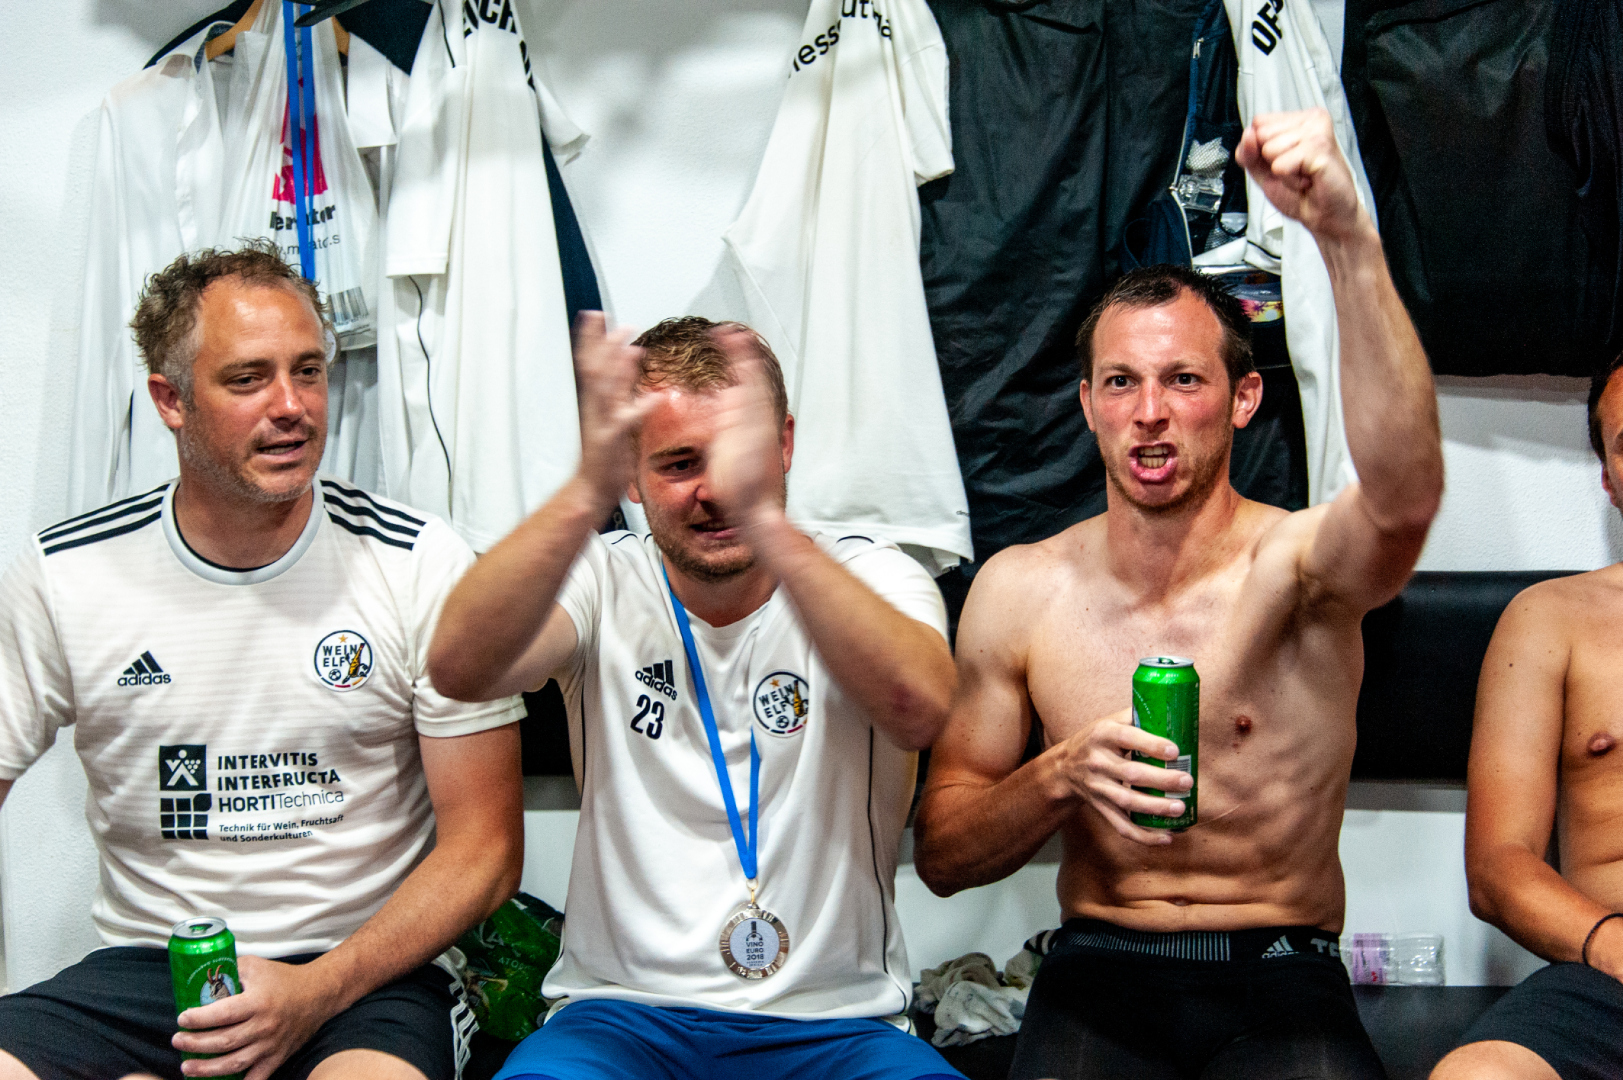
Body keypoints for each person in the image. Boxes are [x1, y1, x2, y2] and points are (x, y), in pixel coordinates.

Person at [911, 107, 1444, 1080]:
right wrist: (1060, 774)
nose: (1148, 412)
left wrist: (1344, 235)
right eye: (1119, 382)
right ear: (1087, 406)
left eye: (1183, 380)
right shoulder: (1020, 589)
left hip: (1279, 966)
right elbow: (944, 855)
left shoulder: (1298, 568)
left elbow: (1404, 499)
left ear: (1243, 399)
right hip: (1098, 962)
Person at [0, 242, 525, 1080]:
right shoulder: (67, 573)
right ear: (171, 400)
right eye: (248, 379)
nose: (292, 406)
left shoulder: (416, 560)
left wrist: (317, 990)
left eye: (308, 372)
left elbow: (486, 849)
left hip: (364, 972)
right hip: (149, 972)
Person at [428, 315, 966, 1080]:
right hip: (619, 1019)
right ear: (631, 474)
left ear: (784, 445)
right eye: (679, 464)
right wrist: (583, 494)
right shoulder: (601, 576)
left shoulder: (872, 573)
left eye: (738, 457)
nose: (714, 491)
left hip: (838, 1024)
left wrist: (769, 525)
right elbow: (459, 670)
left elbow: (921, 709)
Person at [1430, 352, 1623, 1080]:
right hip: (1609, 977)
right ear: (1607, 477)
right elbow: (1497, 865)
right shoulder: (1548, 620)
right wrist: (1612, 946)